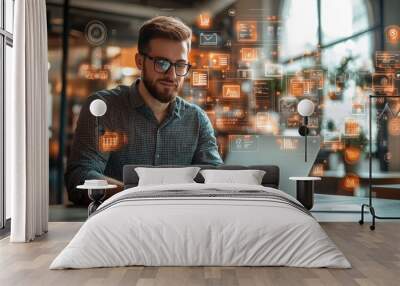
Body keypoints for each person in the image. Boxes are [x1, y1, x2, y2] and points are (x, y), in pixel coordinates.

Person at [65, 16, 223, 204]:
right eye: (162, 63)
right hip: (117, 226)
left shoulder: (197, 120)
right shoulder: (104, 109)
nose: (172, 75)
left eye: (180, 65)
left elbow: (215, 181)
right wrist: (139, 196)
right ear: (140, 61)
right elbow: (80, 176)